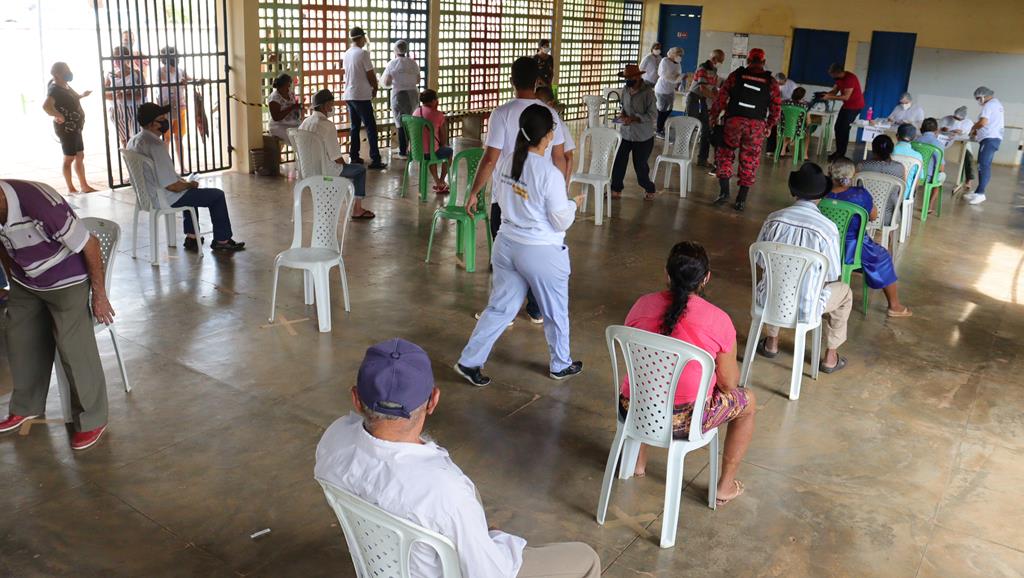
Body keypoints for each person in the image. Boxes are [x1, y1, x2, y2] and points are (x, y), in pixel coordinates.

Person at [315, 338, 602, 578]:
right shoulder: (445, 491)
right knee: (586, 558)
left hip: (384, 564)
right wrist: (494, 544)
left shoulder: (333, 441)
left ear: (355, 398)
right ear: (433, 401)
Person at [456, 105, 584, 386]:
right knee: (555, 311)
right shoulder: (549, 173)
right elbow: (560, 220)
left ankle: (470, 360)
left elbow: (501, 200)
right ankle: (560, 364)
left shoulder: (508, 161)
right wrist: (574, 203)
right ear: (549, 135)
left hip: (506, 244)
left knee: (500, 308)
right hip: (540, 251)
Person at [620, 241, 756, 505]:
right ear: (706, 278)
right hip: (684, 420)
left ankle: (637, 462)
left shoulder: (641, 305)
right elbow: (729, 384)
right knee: (748, 401)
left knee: (653, 381)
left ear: (666, 274)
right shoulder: (719, 320)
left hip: (634, 408)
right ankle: (724, 486)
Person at [0, 179, 114, 450]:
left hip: (68, 280)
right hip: (28, 281)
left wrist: (99, 295)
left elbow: (91, 245)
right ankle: (26, 406)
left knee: (72, 346)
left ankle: (93, 419)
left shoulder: (40, 204)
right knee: (18, 335)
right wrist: (13, 280)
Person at [464, 57, 569, 326]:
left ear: (511, 80)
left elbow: (489, 159)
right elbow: (561, 159)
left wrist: (475, 191)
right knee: (537, 251)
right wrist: (561, 194)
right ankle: (535, 309)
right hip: (540, 198)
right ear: (538, 81)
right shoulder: (549, 114)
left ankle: (504, 311)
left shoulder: (502, 113)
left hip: (507, 197)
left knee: (506, 257)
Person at [755, 162, 853, 373]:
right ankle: (830, 357)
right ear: (822, 195)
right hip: (807, 306)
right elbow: (831, 275)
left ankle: (771, 342)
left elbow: (761, 262)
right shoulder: (827, 229)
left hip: (769, 300)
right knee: (845, 293)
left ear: (793, 192)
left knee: (774, 281)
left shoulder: (773, 220)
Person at [128, 103, 247, 251]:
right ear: (151, 123)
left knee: (191, 194)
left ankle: (192, 237)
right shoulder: (156, 146)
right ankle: (222, 240)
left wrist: (185, 184)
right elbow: (173, 187)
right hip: (165, 197)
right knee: (216, 196)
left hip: (146, 197)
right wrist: (190, 184)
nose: (166, 122)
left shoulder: (134, 141)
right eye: (161, 120)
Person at [825, 158, 912, 317]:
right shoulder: (860, 194)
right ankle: (894, 306)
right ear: (852, 175)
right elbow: (873, 216)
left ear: (830, 173)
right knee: (883, 256)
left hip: (825, 246)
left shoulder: (823, 193)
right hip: (853, 247)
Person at [709, 48, 781, 212]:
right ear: (763, 62)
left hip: (733, 123)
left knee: (725, 155)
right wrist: (769, 126)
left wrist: (713, 117)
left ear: (748, 61)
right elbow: (776, 108)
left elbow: (721, 98)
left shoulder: (736, 75)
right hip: (756, 127)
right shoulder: (771, 82)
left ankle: (724, 193)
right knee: (749, 160)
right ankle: (741, 200)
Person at [298, 90, 375, 219]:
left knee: (351, 170)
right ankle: (357, 209)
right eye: (331, 104)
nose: (332, 108)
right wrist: (345, 166)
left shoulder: (304, 123)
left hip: (307, 171)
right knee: (360, 170)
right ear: (325, 106)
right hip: (326, 172)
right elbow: (336, 158)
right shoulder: (327, 126)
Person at [43, 62, 98, 193]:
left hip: (76, 127)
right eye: (66, 70)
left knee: (80, 155)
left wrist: (82, 95)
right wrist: (58, 115)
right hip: (66, 129)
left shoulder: (66, 85)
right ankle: (71, 188)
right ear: (57, 74)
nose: (69, 72)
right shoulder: (54, 89)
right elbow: (46, 106)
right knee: (69, 157)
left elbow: (75, 97)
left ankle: (84, 186)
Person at [610, 64, 657, 201]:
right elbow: (624, 107)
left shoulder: (648, 92)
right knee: (619, 162)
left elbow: (653, 114)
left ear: (638, 77)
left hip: (643, 136)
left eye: (630, 78)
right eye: (626, 78)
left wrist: (635, 118)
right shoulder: (625, 89)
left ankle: (649, 187)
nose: (627, 80)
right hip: (626, 133)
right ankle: (616, 189)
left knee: (640, 166)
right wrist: (623, 115)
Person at [342, 27, 387, 170]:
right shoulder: (363, 54)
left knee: (355, 127)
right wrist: (375, 88)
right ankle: (375, 159)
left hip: (349, 94)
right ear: (361, 38)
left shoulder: (347, 54)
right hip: (361, 95)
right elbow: (370, 74)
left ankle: (354, 156)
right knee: (371, 127)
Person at [381, 39, 421, 159]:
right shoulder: (413, 63)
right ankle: (413, 149)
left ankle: (403, 151)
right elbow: (418, 80)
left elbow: (387, 82)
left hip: (399, 95)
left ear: (395, 50)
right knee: (411, 121)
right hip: (413, 94)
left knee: (400, 122)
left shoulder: (392, 64)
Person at [965, 86, 1005, 206]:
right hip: (992, 138)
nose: (978, 101)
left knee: (983, 165)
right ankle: (978, 192)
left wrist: (973, 128)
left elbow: (983, 122)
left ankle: (981, 193)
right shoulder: (996, 104)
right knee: (983, 165)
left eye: (978, 98)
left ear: (983, 96)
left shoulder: (989, 105)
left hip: (990, 139)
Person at [685, 49, 725, 167]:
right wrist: (715, 99)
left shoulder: (714, 70)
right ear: (715, 59)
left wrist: (720, 96)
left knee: (706, 130)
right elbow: (702, 88)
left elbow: (713, 87)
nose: (722, 62)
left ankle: (702, 159)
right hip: (694, 99)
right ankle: (681, 155)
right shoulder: (703, 68)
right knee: (691, 127)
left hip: (702, 100)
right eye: (721, 59)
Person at [857, 134, 907, 225]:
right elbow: (901, 193)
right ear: (891, 150)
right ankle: (890, 237)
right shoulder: (899, 168)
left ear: (873, 149)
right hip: (890, 216)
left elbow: (855, 189)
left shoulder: (861, 166)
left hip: (864, 214)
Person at [412, 89, 453, 194]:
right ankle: (442, 180)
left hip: (415, 151)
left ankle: (438, 182)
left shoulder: (416, 112)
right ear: (434, 100)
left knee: (430, 149)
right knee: (448, 151)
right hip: (429, 153)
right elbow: (443, 140)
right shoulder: (438, 115)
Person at [157, 47, 193, 165]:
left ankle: (182, 166)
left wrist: (187, 81)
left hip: (180, 106)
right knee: (166, 139)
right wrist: (180, 82)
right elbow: (164, 84)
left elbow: (190, 79)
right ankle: (168, 167)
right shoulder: (160, 71)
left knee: (178, 138)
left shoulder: (180, 70)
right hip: (166, 107)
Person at [823, 63, 865, 160]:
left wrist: (829, 97)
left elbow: (846, 97)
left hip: (855, 106)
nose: (831, 76)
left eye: (832, 74)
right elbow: (834, 91)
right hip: (847, 106)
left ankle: (841, 154)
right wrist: (826, 94)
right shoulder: (839, 79)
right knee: (838, 127)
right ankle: (839, 151)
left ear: (837, 72)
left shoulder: (850, 79)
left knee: (844, 129)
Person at [104, 46, 144, 147]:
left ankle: (138, 161)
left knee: (136, 140)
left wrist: (124, 95)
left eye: (119, 57)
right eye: (114, 57)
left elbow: (142, 94)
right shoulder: (110, 74)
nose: (116, 60)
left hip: (133, 109)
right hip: (116, 110)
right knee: (124, 140)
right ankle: (129, 162)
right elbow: (104, 94)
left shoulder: (136, 73)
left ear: (127, 58)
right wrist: (116, 95)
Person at [535, 85, 575, 180]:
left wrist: (564, 185)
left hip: (549, 178)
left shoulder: (560, 126)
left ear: (550, 104)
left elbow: (568, 157)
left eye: (539, 103)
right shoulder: (533, 122)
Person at [939, 106, 976, 189]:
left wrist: (958, 131)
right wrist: (943, 129)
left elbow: (965, 133)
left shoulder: (968, 122)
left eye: (959, 119)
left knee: (968, 158)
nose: (956, 119)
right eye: (955, 117)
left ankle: (969, 180)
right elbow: (939, 128)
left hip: (962, 143)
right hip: (945, 141)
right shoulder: (946, 118)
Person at [654, 47, 684, 137]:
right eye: (679, 55)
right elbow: (664, 75)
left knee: (669, 109)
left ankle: (661, 124)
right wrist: (677, 79)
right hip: (662, 89)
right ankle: (659, 129)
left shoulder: (677, 63)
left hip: (670, 90)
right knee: (661, 110)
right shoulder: (665, 61)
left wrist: (680, 79)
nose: (680, 57)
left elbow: (678, 74)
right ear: (673, 54)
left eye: (681, 55)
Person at [267, 73, 303, 145]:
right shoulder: (274, 98)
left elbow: (293, 106)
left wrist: (298, 108)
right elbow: (276, 117)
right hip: (279, 126)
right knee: (297, 139)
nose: (289, 87)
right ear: (281, 86)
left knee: (306, 133)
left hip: (293, 123)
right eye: (287, 85)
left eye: (290, 84)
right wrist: (291, 108)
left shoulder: (290, 93)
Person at [778, 86, 811, 161]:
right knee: (808, 132)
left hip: (783, 128)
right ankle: (805, 155)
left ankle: (783, 150)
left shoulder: (784, 102)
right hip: (798, 131)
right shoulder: (805, 106)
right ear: (802, 96)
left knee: (789, 127)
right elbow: (808, 122)